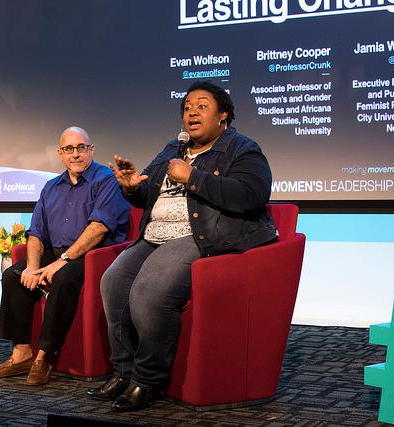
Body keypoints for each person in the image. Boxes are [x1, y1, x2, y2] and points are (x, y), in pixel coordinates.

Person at [87, 81, 277, 411]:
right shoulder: (172, 149)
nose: (192, 111)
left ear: (224, 116)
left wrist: (193, 177)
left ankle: (147, 380)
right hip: (155, 234)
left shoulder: (242, 149)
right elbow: (147, 193)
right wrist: (132, 187)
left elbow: (252, 194)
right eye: (187, 106)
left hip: (202, 235)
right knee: (113, 283)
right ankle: (123, 371)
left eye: (202, 106)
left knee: (149, 292)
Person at [0, 126, 130, 385]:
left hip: (95, 255)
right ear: (60, 154)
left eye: (81, 147)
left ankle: (45, 356)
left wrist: (61, 262)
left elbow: (98, 229)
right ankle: (21, 353)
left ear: (91, 150)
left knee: (63, 277)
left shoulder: (105, 179)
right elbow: (36, 233)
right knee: (12, 276)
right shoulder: (50, 187)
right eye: (69, 149)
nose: (76, 154)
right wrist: (31, 267)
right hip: (57, 252)